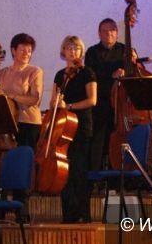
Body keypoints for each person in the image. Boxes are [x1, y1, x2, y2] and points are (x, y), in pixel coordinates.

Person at [51, 36, 96, 223]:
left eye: (76, 48)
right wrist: (56, 103)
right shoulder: (60, 75)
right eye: (69, 48)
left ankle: (83, 214)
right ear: (63, 51)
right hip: (63, 127)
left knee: (79, 169)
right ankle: (68, 214)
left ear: (81, 52)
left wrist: (68, 106)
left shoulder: (87, 73)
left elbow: (92, 100)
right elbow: (53, 101)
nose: (72, 51)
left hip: (81, 125)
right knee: (65, 171)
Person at [84, 18, 125, 171]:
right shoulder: (92, 52)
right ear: (99, 34)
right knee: (97, 143)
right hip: (100, 104)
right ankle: (94, 176)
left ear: (117, 32)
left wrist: (132, 65)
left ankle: (119, 176)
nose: (108, 34)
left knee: (120, 142)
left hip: (121, 106)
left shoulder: (125, 50)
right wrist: (111, 75)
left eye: (112, 30)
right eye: (104, 31)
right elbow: (91, 76)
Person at [0, 33, 43, 148]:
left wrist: (12, 96)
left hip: (28, 122)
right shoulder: (2, 73)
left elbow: (35, 99)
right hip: (8, 123)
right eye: (22, 50)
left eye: (29, 51)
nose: (26, 54)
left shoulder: (35, 71)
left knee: (24, 156)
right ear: (13, 51)